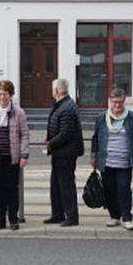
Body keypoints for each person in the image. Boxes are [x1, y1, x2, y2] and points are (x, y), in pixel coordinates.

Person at [90, 88, 133, 231]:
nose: (117, 105)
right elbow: (95, 138)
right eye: (114, 102)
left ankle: (127, 217)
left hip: (124, 162)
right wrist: (93, 156)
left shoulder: (132, 117)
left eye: (120, 102)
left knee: (124, 189)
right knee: (109, 190)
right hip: (106, 161)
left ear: (124, 101)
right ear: (110, 101)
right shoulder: (102, 117)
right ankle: (114, 216)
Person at [0, 80, 29, 231]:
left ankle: (13, 218)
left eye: (5, 94)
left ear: (11, 95)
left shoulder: (19, 112)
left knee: (12, 188)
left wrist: (24, 155)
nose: (2, 97)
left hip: (12, 156)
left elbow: (24, 134)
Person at [44, 78, 84, 227]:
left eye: (52, 89)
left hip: (65, 153)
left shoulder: (66, 107)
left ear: (56, 91)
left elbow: (66, 132)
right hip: (59, 152)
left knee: (66, 185)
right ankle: (58, 214)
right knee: (56, 185)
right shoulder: (63, 104)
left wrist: (51, 143)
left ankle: (72, 216)